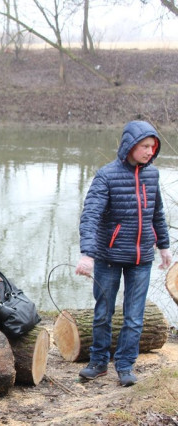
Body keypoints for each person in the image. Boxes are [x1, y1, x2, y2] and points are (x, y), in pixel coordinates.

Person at [75, 120, 172, 387]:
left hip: (141, 259)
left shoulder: (152, 176)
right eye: (145, 146)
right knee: (103, 312)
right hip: (108, 257)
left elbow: (157, 213)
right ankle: (98, 362)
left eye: (153, 147)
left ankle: (126, 365)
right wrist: (87, 254)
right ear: (130, 146)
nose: (150, 151)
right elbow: (90, 216)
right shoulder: (106, 175)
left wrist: (164, 246)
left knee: (134, 317)